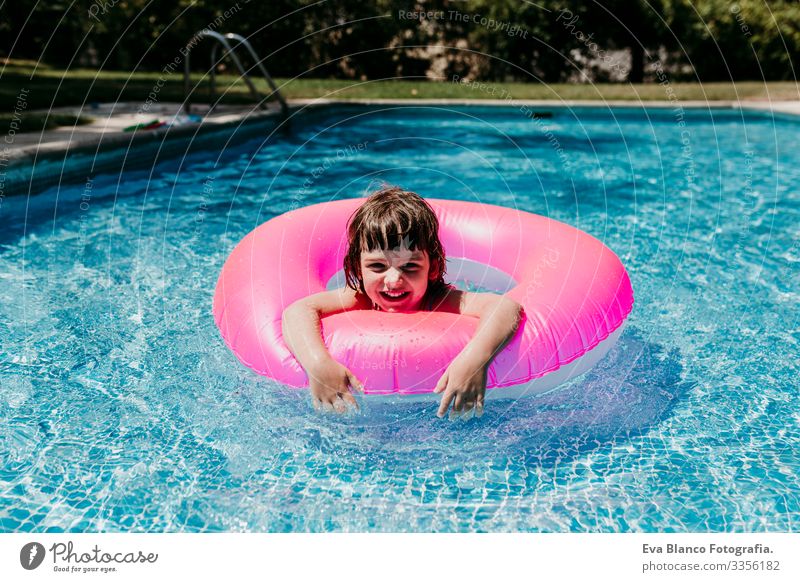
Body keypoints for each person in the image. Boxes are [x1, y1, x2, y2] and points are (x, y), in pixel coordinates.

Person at [281, 186, 522, 419]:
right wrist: (318, 364)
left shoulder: (438, 299)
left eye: (410, 266)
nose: (394, 280)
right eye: (377, 266)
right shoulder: (359, 298)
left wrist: (473, 361)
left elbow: (504, 307)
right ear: (357, 269)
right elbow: (297, 311)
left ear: (433, 269)